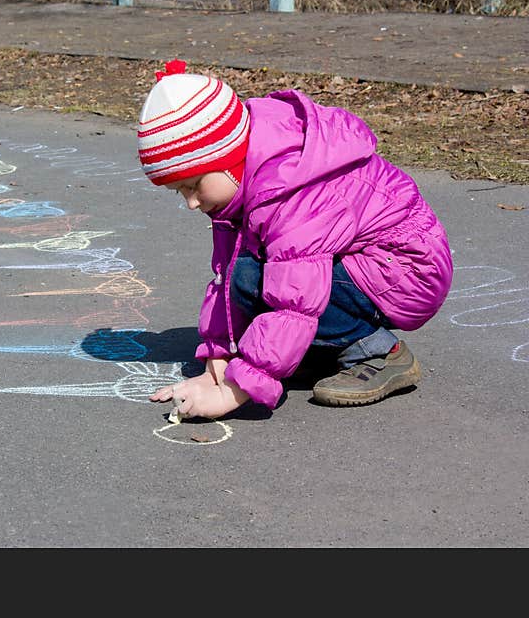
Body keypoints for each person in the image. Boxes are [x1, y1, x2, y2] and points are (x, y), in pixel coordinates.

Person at [139, 59, 453, 420]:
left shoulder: (290, 189)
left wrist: (234, 392)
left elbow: (295, 299)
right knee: (244, 276)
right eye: (181, 192)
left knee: (261, 279)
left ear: (227, 159)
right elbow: (226, 276)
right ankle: (320, 351)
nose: (191, 201)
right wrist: (218, 361)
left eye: (193, 186)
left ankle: (379, 351)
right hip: (368, 262)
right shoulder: (244, 176)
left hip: (407, 270)